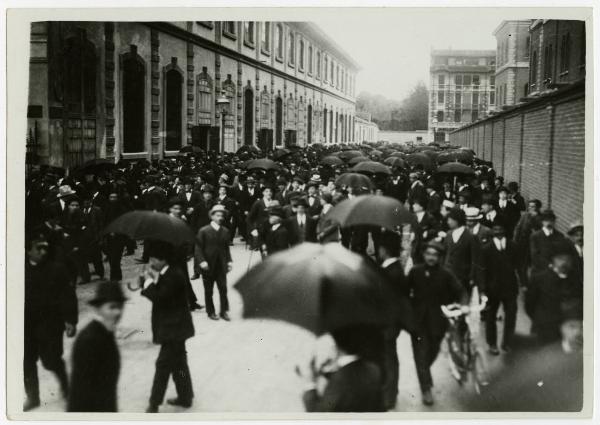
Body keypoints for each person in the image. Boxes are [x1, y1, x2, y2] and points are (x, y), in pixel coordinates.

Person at [408, 241, 468, 406]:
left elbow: (461, 291)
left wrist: (464, 305)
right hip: (418, 322)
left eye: (435, 255)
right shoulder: (415, 272)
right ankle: (426, 388)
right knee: (420, 356)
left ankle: (424, 374)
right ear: (423, 255)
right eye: (428, 254)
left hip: (438, 322)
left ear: (440, 257)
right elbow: (404, 292)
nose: (431, 258)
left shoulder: (446, 275)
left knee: (431, 353)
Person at [24, 233, 78, 411]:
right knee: (26, 361)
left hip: (50, 323)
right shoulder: (18, 270)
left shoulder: (57, 269)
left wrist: (71, 320)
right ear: (28, 251)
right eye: (38, 248)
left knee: (50, 360)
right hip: (26, 324)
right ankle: (33, 397)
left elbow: (68, 296)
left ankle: (65, 383)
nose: (42, 251)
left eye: (45, 247)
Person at [142, 242, 195, 413]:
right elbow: (164, 293)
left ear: (163, 259)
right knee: (179, 364)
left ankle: (154, 403)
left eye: (153, 259)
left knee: (162, 366)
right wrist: (153, 279)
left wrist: (148, 283)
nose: (151, 262)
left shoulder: (173, 275)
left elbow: (161, 298)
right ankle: (186, 397)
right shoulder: (170, 272)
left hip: (174, 329)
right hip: (178, 328)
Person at [68, 282, 126, 412]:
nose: (118, 312)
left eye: (120, 306)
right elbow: (80, 393)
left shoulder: (106, 332)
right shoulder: (89, 340)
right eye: (112, 307)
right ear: (98, 308)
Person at [301, 325, 386, 412]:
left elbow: (319, 415)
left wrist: (309, 383)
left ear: (336, 347)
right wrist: (330, 373)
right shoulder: (374, 369)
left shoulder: (339, 381)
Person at [378, 232, 414, 410]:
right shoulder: (392, 268)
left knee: (389, 358)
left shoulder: (392, 272)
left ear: (384, 249)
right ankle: (389, 391)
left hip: (388, 323)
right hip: (388, 323)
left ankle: (390, 395)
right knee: (387, 357)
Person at [526, 249, 583, 344]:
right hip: (544, 329)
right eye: (560, 258)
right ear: (552, 261)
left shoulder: (576, 279)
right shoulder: (539, 279)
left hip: (569, 333)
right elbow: (529, 305)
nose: (565, 262)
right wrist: (540, 318)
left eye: (568, 259)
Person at [480, 218, 519, 354]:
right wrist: (483, 290)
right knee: (490, 317)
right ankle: (492, 344)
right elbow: (483, 271)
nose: (498, 232)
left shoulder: (513, 246)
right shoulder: (486, 249)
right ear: (492, 232)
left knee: (511, 315)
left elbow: (517, 266)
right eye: (495, 229)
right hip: (492, 290)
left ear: (505, 231)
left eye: (501, 229)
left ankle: (507, 342)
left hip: (510, 288)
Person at [195, 204, 233, 321]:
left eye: (222, 215)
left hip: (221, 265)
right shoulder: (204, 231)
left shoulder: (225, 231)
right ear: (212, 216)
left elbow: (226, 248)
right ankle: (210, 311)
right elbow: (198, 248)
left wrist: (229, 261)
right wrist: (202, 261)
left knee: (223, 288)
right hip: (208, 265)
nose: (220, 217)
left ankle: (224, 311)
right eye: (217, 215)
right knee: (209, 290)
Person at [443, 208, 476, 290]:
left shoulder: (470, 237)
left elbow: (475, 260)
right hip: (447, 276)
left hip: (463, 278)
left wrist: (472, 277)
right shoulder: (448, 235)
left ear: (456, 220)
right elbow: (444, 254)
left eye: (450, 220)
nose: (448, 222)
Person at [513, 199, 542, 287]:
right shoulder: (525, 216)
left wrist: (535, 219)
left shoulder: (541, 218)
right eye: (529, 206)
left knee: (533, 265)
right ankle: (524, 283)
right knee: (521, 265)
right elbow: (518, 227)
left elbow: (540, 230)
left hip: (534, 245)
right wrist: (515, 240)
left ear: (538, 208)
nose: (530, 208)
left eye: (533, 206)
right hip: (523, 244)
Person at [529, 209, 566, 276]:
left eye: (551, 220)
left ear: (554, 222)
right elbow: (535, 255)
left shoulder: (560, 236)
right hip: (540, 271)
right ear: (542, 222)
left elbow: (561, 253)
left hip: (556, 271)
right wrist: (548, 265)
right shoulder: (536, 236)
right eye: (546, 220)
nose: (548, 223)